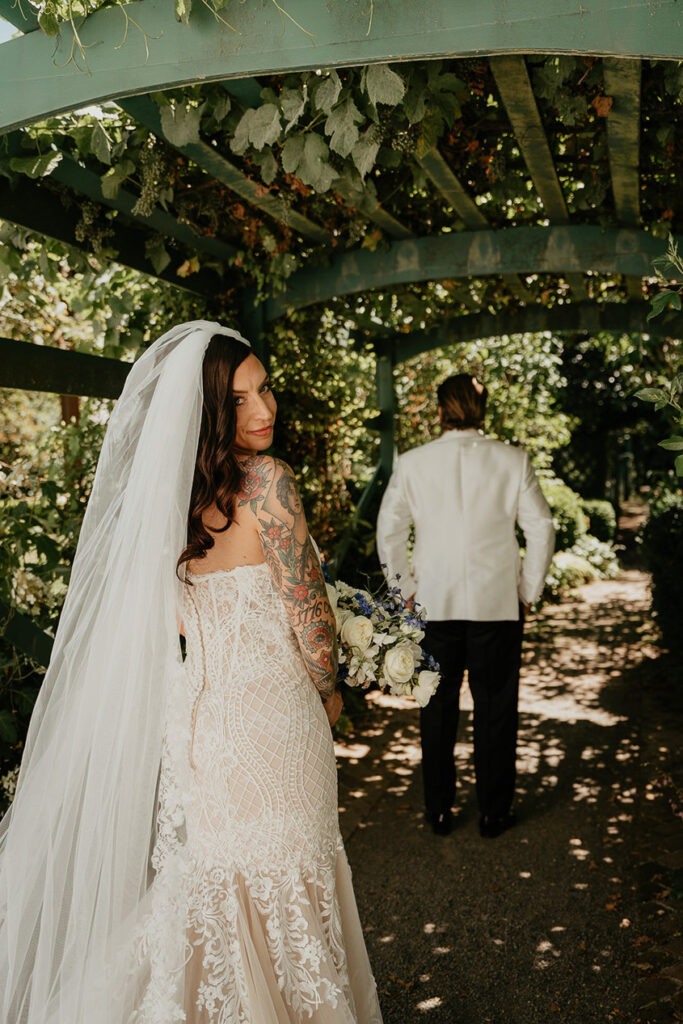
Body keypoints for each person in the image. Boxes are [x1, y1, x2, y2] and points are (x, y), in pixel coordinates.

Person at [0, 322, 382, 1024]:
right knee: (291, 881)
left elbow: (168, 620)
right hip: (275, 725)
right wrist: (329, 692)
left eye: (264, 389)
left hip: (204, 728)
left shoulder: (164, 501)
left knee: (216, 882)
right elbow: (310, 620)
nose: (264, 410)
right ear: (209, 413)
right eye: (239, 400)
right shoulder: (269, 484)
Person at [376, 373, 554, 839]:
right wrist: (527, 590)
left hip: (433, 603)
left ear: (439, 410)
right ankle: (494, 811)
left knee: (435, 708)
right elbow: (542, 529)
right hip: (498, 605)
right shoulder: (513, 461)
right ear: (482, 410)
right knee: (496, 709)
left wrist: (404, 592)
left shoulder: (413, 464)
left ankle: (438, 810)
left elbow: (389, 530)